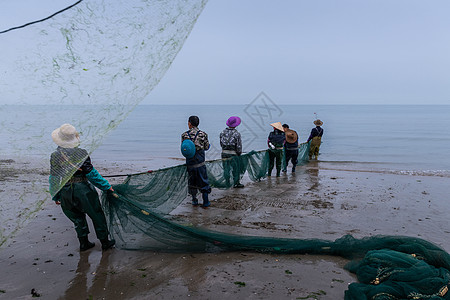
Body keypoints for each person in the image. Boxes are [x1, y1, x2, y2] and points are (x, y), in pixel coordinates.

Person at [49, 124, 116, 252]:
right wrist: (107, 187)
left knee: (77, 217)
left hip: (65, 190)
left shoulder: (55, 155)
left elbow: (54, 178)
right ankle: (105, 243)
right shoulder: (81, 153)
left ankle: (84, 244)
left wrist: (55, 195)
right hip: (83, 190)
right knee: (96, 214)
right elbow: (91, 174)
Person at [181, 116, 211, 208]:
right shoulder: (203, 134)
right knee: (203, 181)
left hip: (190, 163)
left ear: (190, 123)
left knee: (192, 181)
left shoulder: (184, 135)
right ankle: (206, 202)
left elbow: (184, 149)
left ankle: (194, 200)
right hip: (200, 162)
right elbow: (206, 147)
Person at [220, 116, 244, 188]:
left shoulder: (222, 132)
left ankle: (227, 182)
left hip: (224, 153)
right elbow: (239, 146)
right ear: (236, 125)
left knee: (226, 169)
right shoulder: (237, 134)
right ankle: (236, 183)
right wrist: (239, 153)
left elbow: (221, 144)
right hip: (233, 154)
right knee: (235, 169)